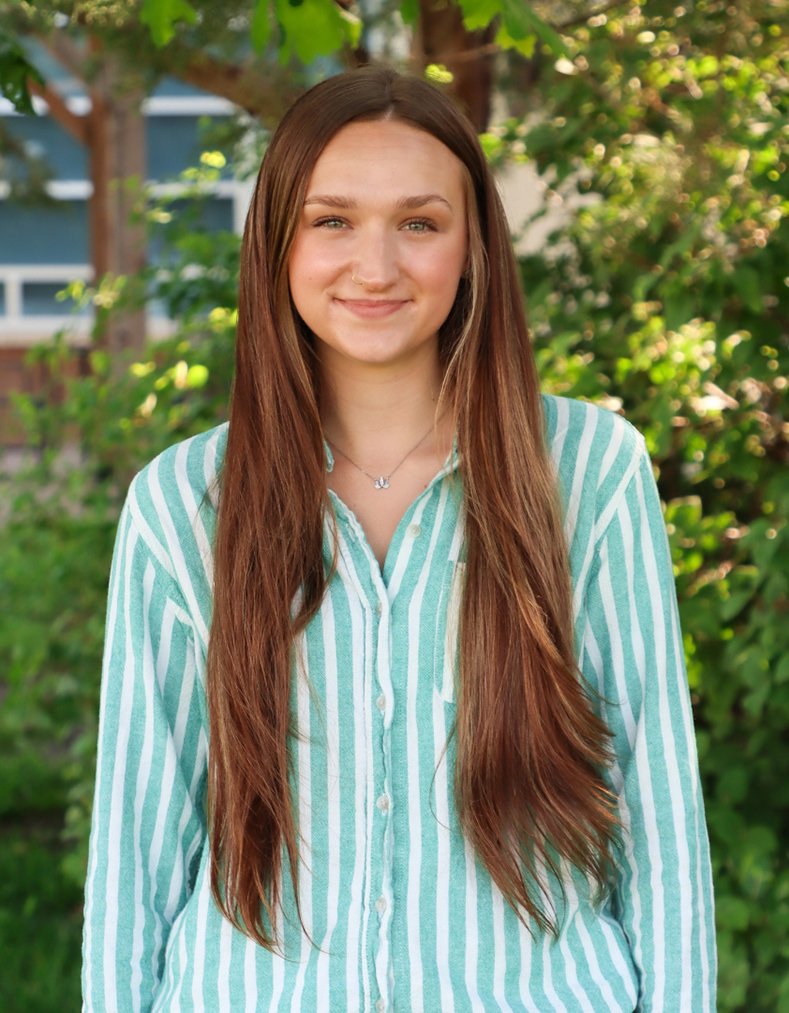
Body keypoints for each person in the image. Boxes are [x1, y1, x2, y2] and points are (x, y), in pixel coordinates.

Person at [82, 67, 716, 1013]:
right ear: (277, 241)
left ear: (473, 247)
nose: (374, 267)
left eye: (418, 223)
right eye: (332, 220)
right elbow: (136, 846)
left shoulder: (587, 471)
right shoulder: (182, 503)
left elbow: (655, 806)